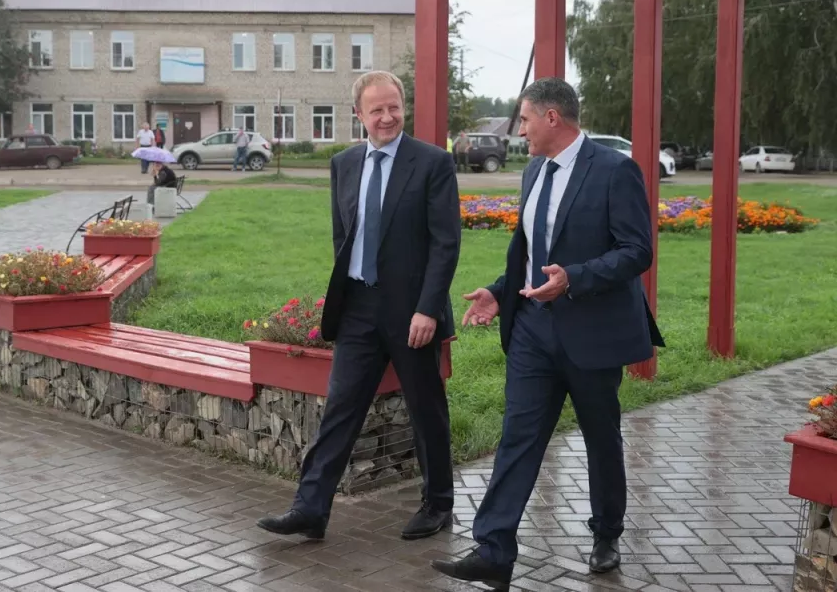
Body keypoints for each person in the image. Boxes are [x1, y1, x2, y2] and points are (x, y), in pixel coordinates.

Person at [431, 77, 665, 591]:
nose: (521, 131)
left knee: (601, 437)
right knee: (518, 435)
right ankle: (493, 550)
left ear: (552, 117)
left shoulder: (615, 170)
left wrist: (574, 278)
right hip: (533, 330)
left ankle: (606, 532)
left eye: (525, 119)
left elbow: (637, 250)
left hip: (593, 332)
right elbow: (529, 252)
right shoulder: (533, 171)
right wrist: (500, 292)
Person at [256, 70, 461, 542]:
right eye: (377, 110)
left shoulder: (432, 163)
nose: (387, 117)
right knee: (340, 408)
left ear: (403, 107)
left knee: (425, 409)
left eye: (394, 107)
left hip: (412, 312)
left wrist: (428, 308)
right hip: (358, 308)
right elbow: (342, 235)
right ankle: (310, 508)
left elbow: (446, 244)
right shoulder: (344, 163)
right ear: (359, 115)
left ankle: (438, 504)